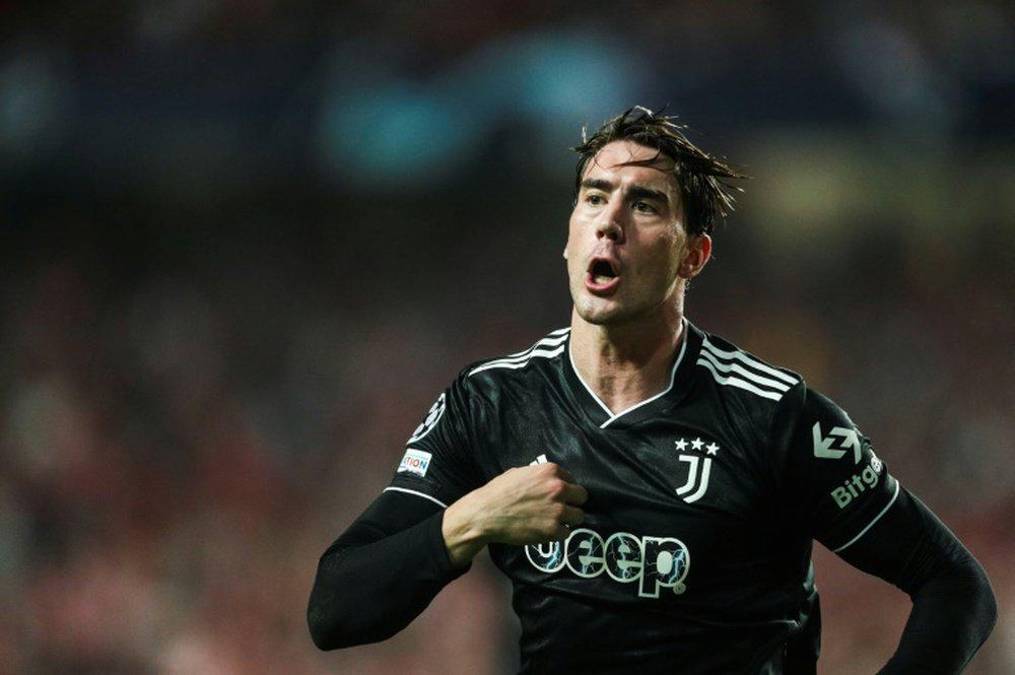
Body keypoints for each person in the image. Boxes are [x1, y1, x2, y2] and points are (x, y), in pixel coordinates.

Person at [307, 106, 996, 673]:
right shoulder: (489, 403)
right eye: (594, 197)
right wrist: (474, 518)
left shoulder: (773, 416)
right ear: (570, 236)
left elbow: (954, 585)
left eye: (643, 204)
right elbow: (335, 610)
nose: (609, 220)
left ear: (692, 254)